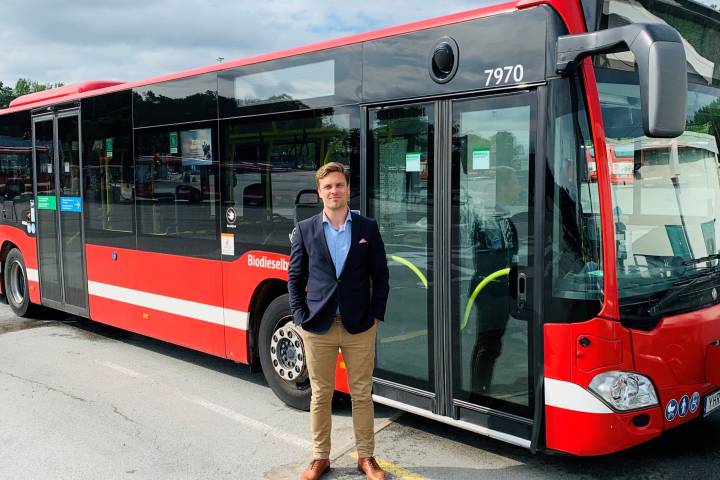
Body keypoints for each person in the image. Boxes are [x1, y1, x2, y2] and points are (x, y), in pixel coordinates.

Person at [288, 162, 390, 480]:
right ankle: (320, 458)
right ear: (320, 193)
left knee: (361, 393)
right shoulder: (305, 230)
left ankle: (366, 457)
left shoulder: (366, 228)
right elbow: (295, 277)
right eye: (328, 186)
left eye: (339, 185)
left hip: (359, 326)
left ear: (348, 189)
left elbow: (381, 276)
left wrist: (376, 316)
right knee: (321, 394)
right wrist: (301, 317)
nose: (334, 191)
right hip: (318, 326)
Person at [469, 166, 522, 398]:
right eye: (514, 183)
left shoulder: (503, 218)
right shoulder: (489, 219)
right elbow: (493, 257)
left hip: (501, 286)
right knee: (488, 342)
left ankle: (480, 387)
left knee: (491, 341)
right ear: (500, 187)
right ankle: (479, 391)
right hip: (490, 287)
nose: (518, 187)